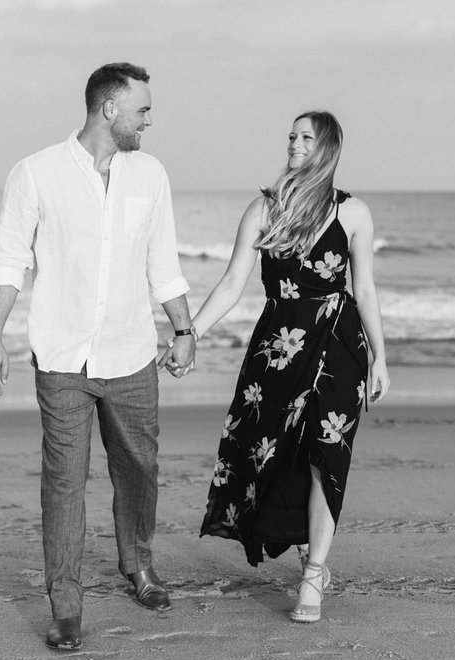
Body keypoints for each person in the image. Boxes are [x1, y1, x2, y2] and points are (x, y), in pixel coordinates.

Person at [0, 62, 196, 651]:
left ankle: (137, 564)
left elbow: (163, 263)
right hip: (63, 357)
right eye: (143, 110)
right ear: (110, 110)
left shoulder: (149, 175)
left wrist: (184, 329)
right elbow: (8, 262)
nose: (149, 120)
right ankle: (66, 606)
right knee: (63, 483)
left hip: (131, 356)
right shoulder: (36, 173)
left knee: (139, 470)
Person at [188, 110, 389, 623]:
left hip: (339, 345)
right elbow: (233, 283)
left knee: (327, 456)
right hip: (278, 349)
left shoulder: (354, 214)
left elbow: (363, 290)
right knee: (273, 455)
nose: (294, 144)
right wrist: (190, 334)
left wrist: (380, 357)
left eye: (305, 138)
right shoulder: (265, 209)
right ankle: (303, 546)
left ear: (326, 148)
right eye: (291, 137)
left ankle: (313, 575)